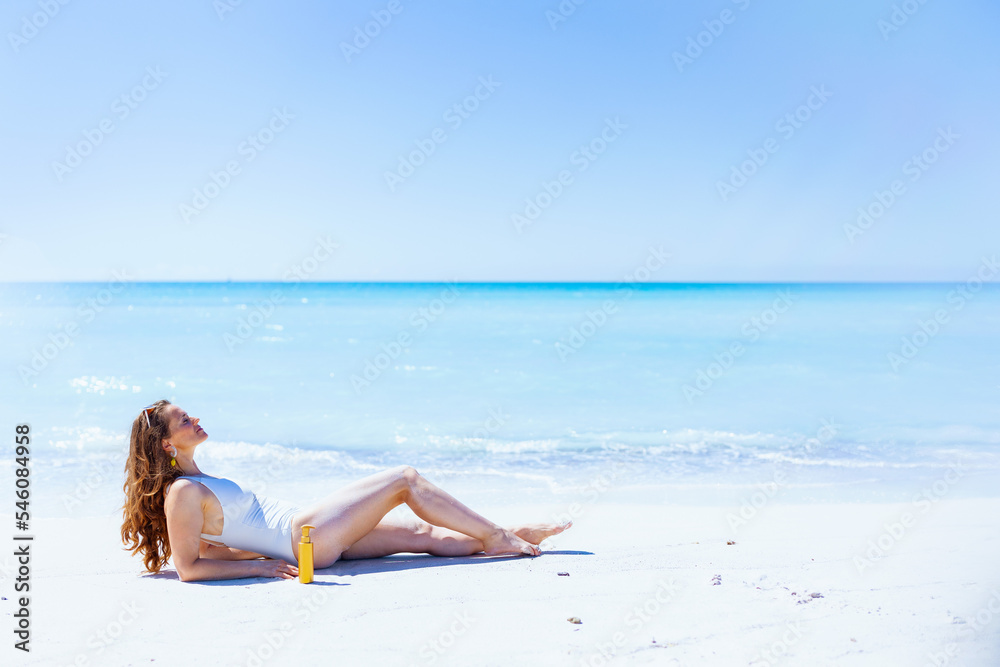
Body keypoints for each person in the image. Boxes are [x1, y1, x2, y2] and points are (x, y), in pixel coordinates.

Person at [121, 400, 571, 582]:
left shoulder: (199, 481)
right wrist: (262, 569)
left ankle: (513, 537)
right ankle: (495, 536)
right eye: (184, 420)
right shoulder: (181, 491)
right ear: (166, 444)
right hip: (303, 535)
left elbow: (214, 548)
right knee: (405, 479)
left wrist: (255, 557)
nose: (195, 419)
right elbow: (189, 568)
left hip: (308, 541)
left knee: (420, 535)